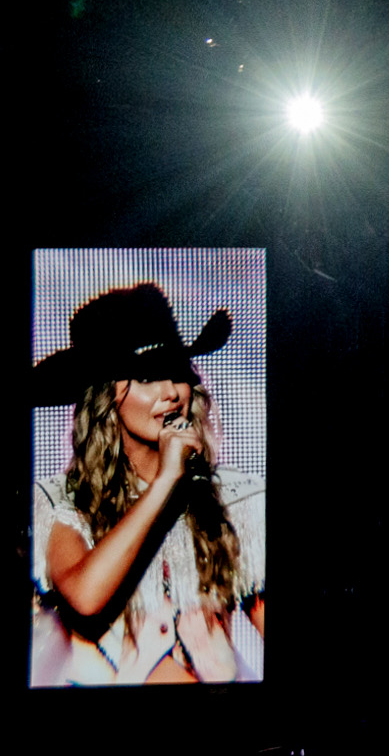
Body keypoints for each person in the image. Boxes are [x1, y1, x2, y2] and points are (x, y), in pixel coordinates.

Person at [31, 283, 265, 685]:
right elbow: (85, 597)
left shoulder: (237, 499)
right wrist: (164, 482)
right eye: (146, 377)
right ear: (105, 397)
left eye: (177, 372)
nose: (171, 393)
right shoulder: (61, 502)